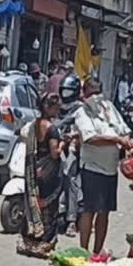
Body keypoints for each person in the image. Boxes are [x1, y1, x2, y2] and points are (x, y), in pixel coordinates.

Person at [74, 78, 133, 261]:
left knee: (104, 212)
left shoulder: (109, 107)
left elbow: (124, 129)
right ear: (85, 94)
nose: (96, 97)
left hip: (111, 168)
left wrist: (127, 144)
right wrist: (116, 140)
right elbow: (90, 138)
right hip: (93, 167)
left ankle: (97, 252)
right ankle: (83, 252)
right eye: (92, 93)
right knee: (90, 210)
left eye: (97, 92)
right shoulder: (82, 112)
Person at [17, 93, 63, 258]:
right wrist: (64, 143)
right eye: (56, 107)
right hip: (48, 174)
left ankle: (28, 241)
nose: (58, 110)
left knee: (32, 203)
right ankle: (44, 244)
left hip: (33, 171)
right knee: (48, 208)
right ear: (48, 108)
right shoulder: (52, 129)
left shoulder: (33, 125)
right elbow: (55, 153)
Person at [57, 73, 83, 237]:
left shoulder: (80, 108)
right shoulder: (58, 107)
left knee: (69, 177)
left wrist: (70, 137)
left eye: (68, 91)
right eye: (63, 90)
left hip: (73, 148)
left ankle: (71, 221)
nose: (65, 94)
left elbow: (73, 126)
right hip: (56, 146)